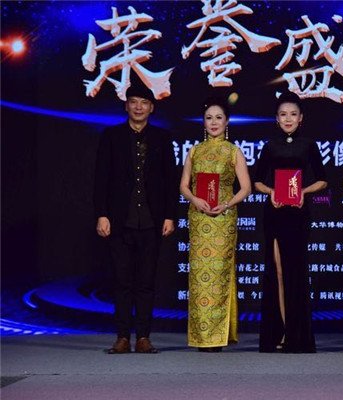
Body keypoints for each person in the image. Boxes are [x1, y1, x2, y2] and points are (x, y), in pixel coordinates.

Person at [94, 84, 178, 354]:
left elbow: (170, 180)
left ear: (152, 107)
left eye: (144, 102)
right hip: (120, 220)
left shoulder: (162, 138)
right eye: (134, 102)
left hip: (152, 220)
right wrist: (102, 214)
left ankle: (143, 337)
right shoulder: (111, 136)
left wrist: (170, 215)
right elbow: (101, 178)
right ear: (126, 106)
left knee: (146, 282)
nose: (139, 107)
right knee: (122, 281)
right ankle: (122, 337)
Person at [254, 92, 327, 353]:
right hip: (275, 214)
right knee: (277, 272)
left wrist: (304, 192)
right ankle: (280, 332)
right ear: (276, 118)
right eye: (283, 114)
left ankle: (297, 336)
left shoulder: (309, 145)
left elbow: (323, 180)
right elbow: (257, 180)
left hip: (298, 214)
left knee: (296, 273)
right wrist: (271, 192)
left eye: (293, 114)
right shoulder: (270, 146)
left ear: (301, 118)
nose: (288, 119)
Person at [179, 97, 251, 352]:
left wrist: (228, 204)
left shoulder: (233, 151)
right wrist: (195, 199)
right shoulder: (194, 151)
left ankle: (218, 336)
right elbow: (183, 185)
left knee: (219, 276)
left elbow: (246, 188)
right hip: (199, 218)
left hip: (222, 218)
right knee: (199, 278)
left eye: (218, 118)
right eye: (209, 118)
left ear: (227, 122)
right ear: (203, 122)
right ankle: (201, 336)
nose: (213, 122)